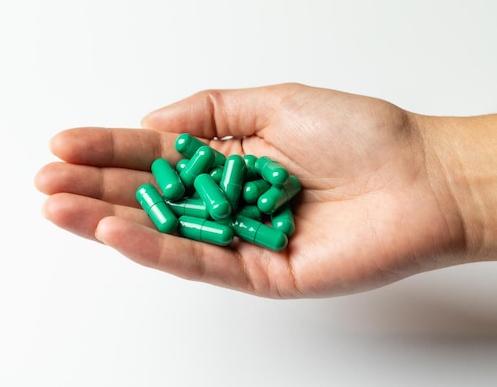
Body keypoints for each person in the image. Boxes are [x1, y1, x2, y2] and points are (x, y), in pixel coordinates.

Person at [34, 83, 497, 299]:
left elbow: (226, 204)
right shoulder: (219, 188)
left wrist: (440, 171)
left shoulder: (231, 190)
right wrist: (448, 180)